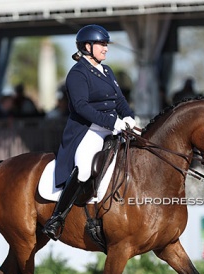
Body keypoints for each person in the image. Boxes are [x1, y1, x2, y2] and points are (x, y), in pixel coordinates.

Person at [42, 24, 140, 240]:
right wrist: (112, 122)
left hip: (113, 126)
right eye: (101, 44)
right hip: (89, 129)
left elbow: (120, 100)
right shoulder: (77, 74)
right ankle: (57, 217)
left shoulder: (107, 71)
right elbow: (81, 107)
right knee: (85, 168)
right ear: (88, 46)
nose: (106, 48)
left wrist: (129, 117)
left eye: (106, 44)